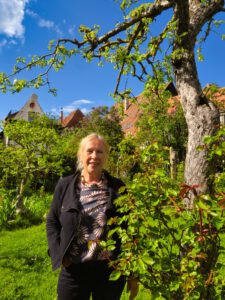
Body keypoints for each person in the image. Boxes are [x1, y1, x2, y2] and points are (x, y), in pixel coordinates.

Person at [46, 133, 138, 300]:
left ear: (106, 156)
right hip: (73, 269)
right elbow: (52, 221)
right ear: (80, 154)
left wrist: (132, 273)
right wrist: (57, 253)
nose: (94, 156)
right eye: (89, 151)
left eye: (100, 152)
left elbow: (130, 228)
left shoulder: (118, 187)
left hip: (109, 270)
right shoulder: (65, 185)